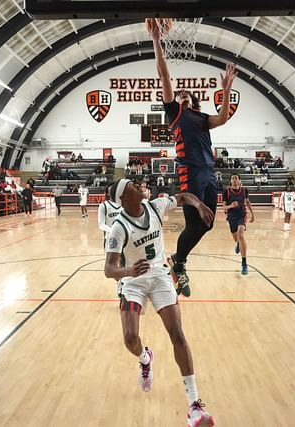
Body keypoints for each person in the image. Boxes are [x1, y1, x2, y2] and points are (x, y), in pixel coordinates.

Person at [103, 179, 215, 427]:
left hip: (160, 277)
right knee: (130, 338)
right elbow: (109, 269)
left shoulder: (154, 206)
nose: (138, 185)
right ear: (124, 198)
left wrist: (199, 205)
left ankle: (194, 406)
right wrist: (128, 271)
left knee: (177, 334)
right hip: (133, 281)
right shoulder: (119, 228)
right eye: (132, 186)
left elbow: (184, 196)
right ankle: (145, 359)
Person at [150, 18, 237, 297]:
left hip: (209, 173)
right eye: (179, 93)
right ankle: (180, 263)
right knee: (194, 221)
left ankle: (177, 260)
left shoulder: (201, 117)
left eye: (186, 93)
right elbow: (163, 74)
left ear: (194, 100)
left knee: (208, 223)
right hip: (190, 171)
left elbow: (223, 118)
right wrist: (156, 40)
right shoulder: (176, 113)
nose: (182, 93)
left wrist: (225, 91)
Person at [222, 173, 254, 275]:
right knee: (236, 239)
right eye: (233, 178)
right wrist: (231, 205)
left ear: (239, 180)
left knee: (241, 234)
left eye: (236, 178)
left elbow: (247, 202)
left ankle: (244, 263)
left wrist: (252, 214)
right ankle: (238, 244)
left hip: (241, 215)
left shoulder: (244, 190)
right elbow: (224, 207)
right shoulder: (226, 191)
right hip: (231, 217)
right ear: (230, 181)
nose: (234, 180)